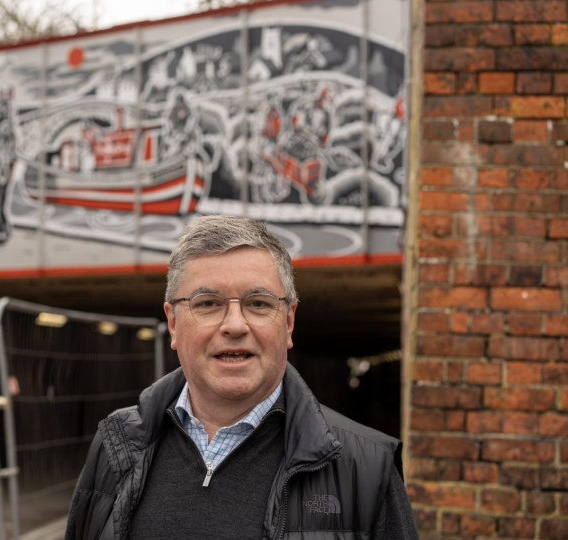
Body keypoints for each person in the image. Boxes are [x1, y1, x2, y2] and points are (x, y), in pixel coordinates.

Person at [65, 215, 418, 540]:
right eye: (207, 303)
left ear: (289, 322)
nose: (235, 325)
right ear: (173, 323)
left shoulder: (366, 467)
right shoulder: (117, 446)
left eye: (259, 303)